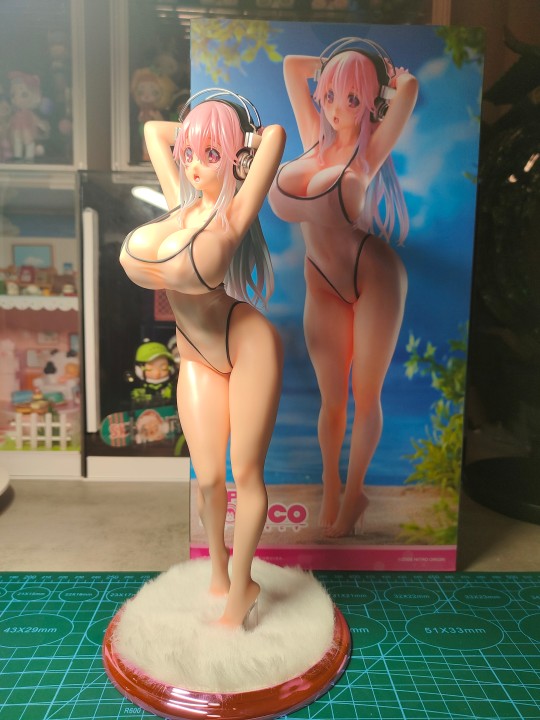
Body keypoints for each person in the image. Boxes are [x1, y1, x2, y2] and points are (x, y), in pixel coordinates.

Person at [120, 90, 285, 628]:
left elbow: (275, 137)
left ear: (236, 158)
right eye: (189, 153)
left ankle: (242, 587)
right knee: (210, 477)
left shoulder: (234, 213)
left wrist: (237, 136)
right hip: (196, 357)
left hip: (246, 342)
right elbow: (154, 131)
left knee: (246, 473)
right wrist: (199, 130)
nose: (193, 165)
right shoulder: (179, 202)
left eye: (210, 155)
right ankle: (218, 571)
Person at [269, 40, 418, 537]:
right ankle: (331, 487)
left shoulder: (369, 151)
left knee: (365, 394)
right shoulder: (313, 134)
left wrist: (381, 75)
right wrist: (341, 67)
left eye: (352, 99)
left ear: (371, 102)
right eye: (331, 94)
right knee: (331, 399)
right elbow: (292, 65)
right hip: (321, 280)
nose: (336, 108)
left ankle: (354, 495)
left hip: (373, 274)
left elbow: (409, 87)